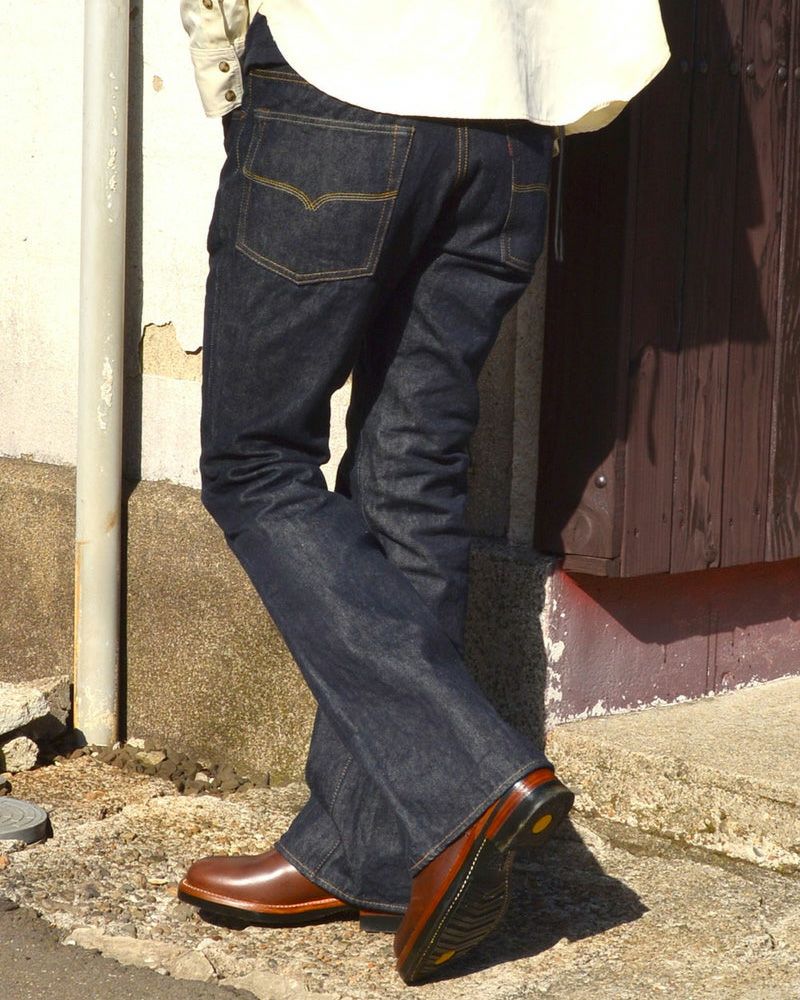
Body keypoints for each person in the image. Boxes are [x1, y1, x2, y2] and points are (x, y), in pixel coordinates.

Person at [176, 0, 670, 984]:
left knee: (254, 463)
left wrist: (226, 67)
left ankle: (466, 783)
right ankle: (370, 850)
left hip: (342, 79)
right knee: (409, 473)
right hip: (509, 122)